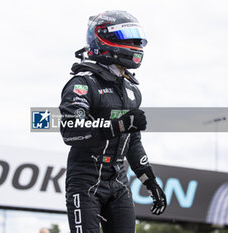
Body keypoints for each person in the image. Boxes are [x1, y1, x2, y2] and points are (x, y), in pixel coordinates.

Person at [59, 10, 167, 233]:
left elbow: (133, 142)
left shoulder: (132, 91)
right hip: (85, 180)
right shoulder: (82, 83)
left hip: (118, 181)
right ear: (103, 38)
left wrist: (149, 181)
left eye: (137, 38)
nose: (135, 44)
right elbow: (71, 130)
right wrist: (118, 125)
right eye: (127, 38)